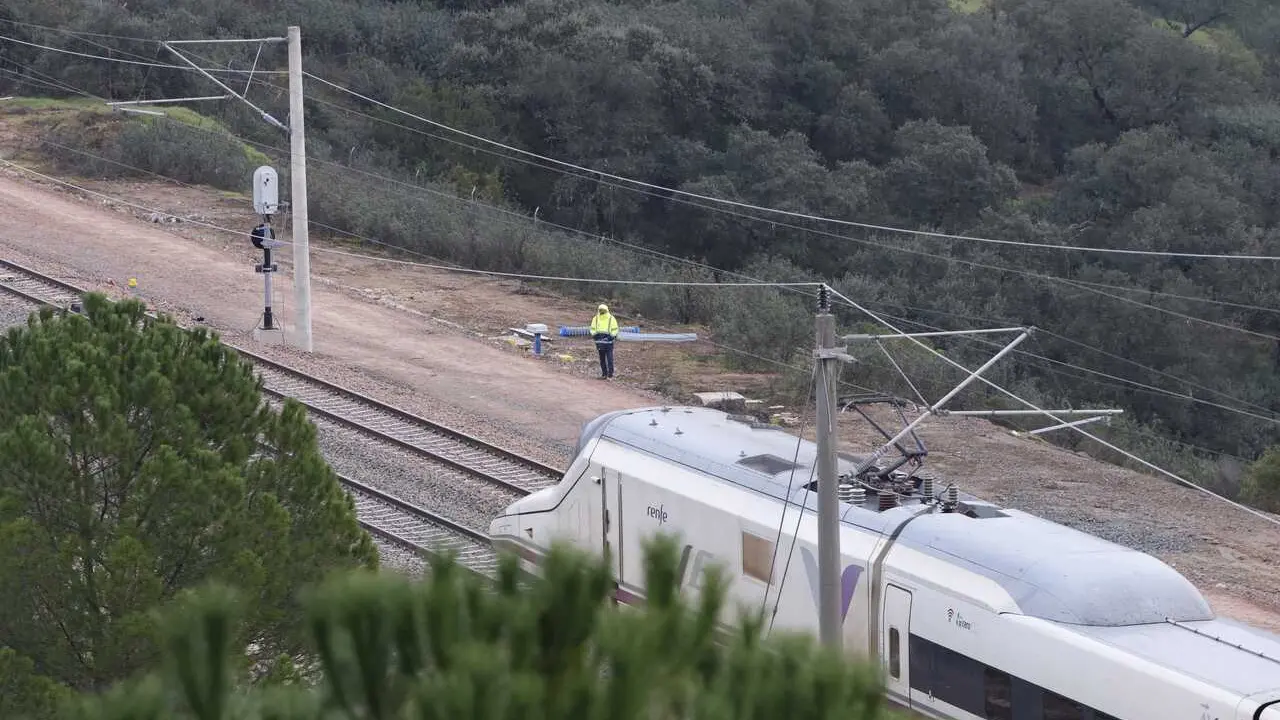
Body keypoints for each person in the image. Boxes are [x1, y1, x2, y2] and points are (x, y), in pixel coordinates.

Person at [590, 303, 620, 379]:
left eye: (603, 310)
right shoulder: (595, 318)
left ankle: (609, 374)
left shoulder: (611, 318)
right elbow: (592, 329)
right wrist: (595, 336)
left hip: (608, 342)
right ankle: (605, 374)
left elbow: (615, 329)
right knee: (602, 358)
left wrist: (610, 337)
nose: (602, 311)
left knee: (609, 358)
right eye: (600, 310)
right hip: (600, 342)